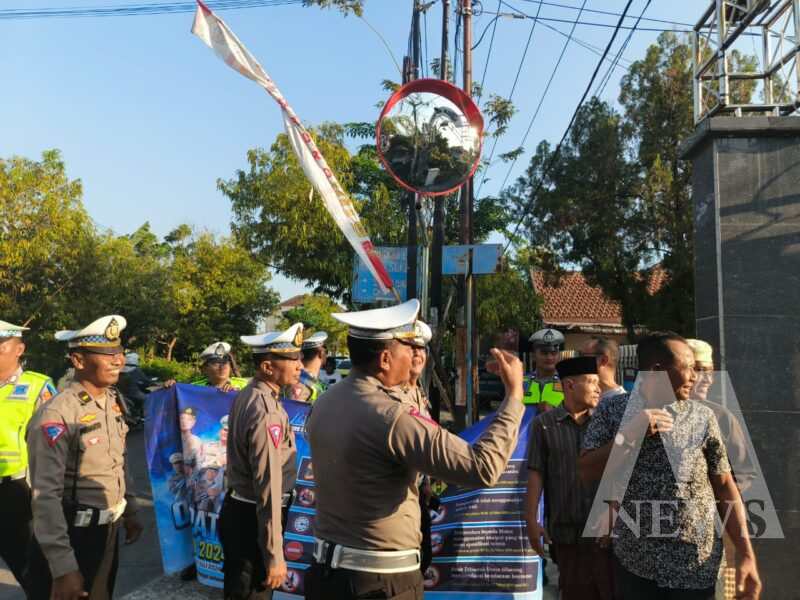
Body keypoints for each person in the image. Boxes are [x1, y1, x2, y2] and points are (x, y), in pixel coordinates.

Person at [305, 299, 525, 600]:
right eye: (409, 348)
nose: (416, 356)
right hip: (380, 583)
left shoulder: (328, 401)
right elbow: (482, 467)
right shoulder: (391, 417)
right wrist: (514, 397)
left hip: (329, 575)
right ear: (385, 359)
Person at [578, 332, 761, 600]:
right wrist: (631, 435)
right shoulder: (613, 412)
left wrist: (746, 555)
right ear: (657, 371)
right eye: (687, 367)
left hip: (695, 567)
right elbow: (585, 471)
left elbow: (724, 487)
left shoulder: (704, 417)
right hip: (637, 566)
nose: (694, 376)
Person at [26, 315, 143, 600]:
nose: (117, 360)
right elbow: (45, 495)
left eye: (119, 352)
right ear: (78, 361)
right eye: (106, 354)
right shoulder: (57, 414)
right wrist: (63, 567)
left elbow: (118, 461)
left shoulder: (112, 400)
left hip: (108, 530)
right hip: (74, 536)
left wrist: (130, 510)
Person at [219, 323, 303, 600]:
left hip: (243, 512)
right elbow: (268, 484)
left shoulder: (254, 395)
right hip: (252, 518)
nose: (299, 365)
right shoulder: (265, 409)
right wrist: (274, 553)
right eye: (292, 359)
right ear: (268, 367)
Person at [525, 356, 613, 600]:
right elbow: (536, 473)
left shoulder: (605, 424)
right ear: (570, 385)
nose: (598, 388)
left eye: (599, 382)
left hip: (603, 535)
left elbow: (618, 474)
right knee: (573, 591)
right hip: (566, 532)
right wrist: (531, 520)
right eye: (591, 382)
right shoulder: (543, 426)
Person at [0, 319, 57, 592]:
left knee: (31, 570)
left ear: (19, 349)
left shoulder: (38, 387)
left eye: (1, 346)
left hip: (18, 491)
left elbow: (55, 445)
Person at [523, 328, 565, 412]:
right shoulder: (522, 382)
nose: (549, 357)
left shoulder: (567, 383)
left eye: (553, 353)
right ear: (533, 356)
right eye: (544, 353)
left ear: (559, 356)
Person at [285, 331, 328, 403]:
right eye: (326, 351)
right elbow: (294, 412)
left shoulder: (308, 379)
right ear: (321, 353)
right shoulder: (300, 384)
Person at [580, 336, 626, 402]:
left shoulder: (622, 402)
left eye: (583, 356)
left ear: (603, 360)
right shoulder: (580, 395)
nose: (578, 361)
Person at [117, 352, 151, 425]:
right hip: (134, 394)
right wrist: (151, 382)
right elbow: (146, 382)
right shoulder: (136, 370)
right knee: (150, 398)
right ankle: (146, 417)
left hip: (122, 395)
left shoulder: (119, 371)